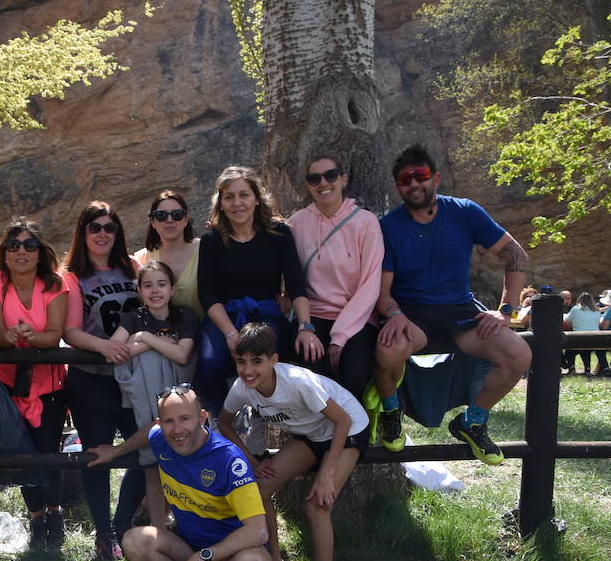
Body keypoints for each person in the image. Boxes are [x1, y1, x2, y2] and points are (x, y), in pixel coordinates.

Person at [373, 144, 533, 465]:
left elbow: (515, 254)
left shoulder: (464, 212)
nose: (414, 184)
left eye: (421, 176)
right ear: (397, 187)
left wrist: (506, 310)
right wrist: (393, 314)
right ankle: (391, 411)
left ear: (436, 178)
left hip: (461, 314)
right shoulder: (388, 226)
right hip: (413, 316)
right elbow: (382, 291)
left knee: (519, 355)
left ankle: (472, 422)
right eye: (406, 180)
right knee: (386, 350)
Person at [87, 384, 271, 561]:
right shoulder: (161, 438)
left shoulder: (229, 460)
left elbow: (257, 531)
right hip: (188, 544)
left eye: (185, 419)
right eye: (169, 422)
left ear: (202, 418)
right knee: (133, 541)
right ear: (161, 424)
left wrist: (201, 558)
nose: (177, 430)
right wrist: (117, 451)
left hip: (233, 552)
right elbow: (148, 432)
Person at [217, 323, 368, 561]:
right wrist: (253, 460)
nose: (248, 369)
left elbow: (342, 421)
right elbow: (225, 424)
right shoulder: (242, 387)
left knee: (317, 506)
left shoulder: (298, 382)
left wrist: (326, 473)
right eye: (241, 361)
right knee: (259, 488)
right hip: (310, 434)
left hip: (348, 430)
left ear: (273, 360)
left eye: (256, 361)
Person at [195, 166, 318, 417]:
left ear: (256, 198)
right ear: (221, 203)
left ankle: (264, 417)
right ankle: (222, 422)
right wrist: (230, 334)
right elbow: (208, 295)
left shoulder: (278, 234)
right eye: (229, 197)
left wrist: (306, 326)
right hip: (223, 317)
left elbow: (296, 285)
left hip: (266, 314)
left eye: (244, 195)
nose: (237, 203)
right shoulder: (211, 240)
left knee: (264, 359)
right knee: (209, 364)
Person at [61, 201, 145, 561]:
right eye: (95, 227)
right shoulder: (71, 275)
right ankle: (102, 531)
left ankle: (122, 523)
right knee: (96, 455)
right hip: (91, 379)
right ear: (83, 231)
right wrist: (106, 347)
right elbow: (71, 331)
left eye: (109, 227)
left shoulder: (133, 267)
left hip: (132, 378)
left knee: (145, 451)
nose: (102, 234)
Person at [0, 218, 71, 548]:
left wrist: (35, 336)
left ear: (40, 252)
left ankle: (55, 513)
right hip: (9, 383)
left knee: (47, 451)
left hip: (48, 385)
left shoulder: (54, 284)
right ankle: (36, 519)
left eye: (29, 245)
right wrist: (7, 336)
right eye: (13, 246)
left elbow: (56, 333)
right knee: (20, 451)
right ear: (4, 254)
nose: (21, 251)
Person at [284, 153, 384, 399]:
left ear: (343, 180)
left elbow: (371, 284)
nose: (323, 183)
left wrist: (340, 337)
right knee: (314, 379)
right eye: (315, 178)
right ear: (308, 185)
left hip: (357, 317)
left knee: (355, 375)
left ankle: (355, 435)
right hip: (313, 316)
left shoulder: (365, 222)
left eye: (331, 176)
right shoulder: (296, 224)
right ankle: (322, 437)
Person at [110, 261, 197, 530]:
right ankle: (159, 529)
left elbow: (183, 355)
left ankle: (186, 525)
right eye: (148, 285)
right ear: (139, 290)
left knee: (184, 462)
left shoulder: (184, 316)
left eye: (161, 284)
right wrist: (154, 342)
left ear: (172, 289)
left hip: (178, 396)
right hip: (148, 400)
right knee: (152, 463)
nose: (155, 290)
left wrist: (144, 339)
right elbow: (117, 350)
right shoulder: (134, 318)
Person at [133, 190, 202, 317]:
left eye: (177, 214)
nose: (169, 220)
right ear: (153, 222)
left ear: (186, 220)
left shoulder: (204, 250)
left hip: (206, 331)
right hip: (160, 334)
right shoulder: (141, 259)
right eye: (161, 215)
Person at [564, 291, 607, 376]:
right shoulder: (597, 310)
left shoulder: (575, 309)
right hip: (594, 338)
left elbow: (567, 322)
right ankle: (588, 369)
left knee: (569, 352)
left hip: (578, 338)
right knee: (586, 351)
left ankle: (572, 368)